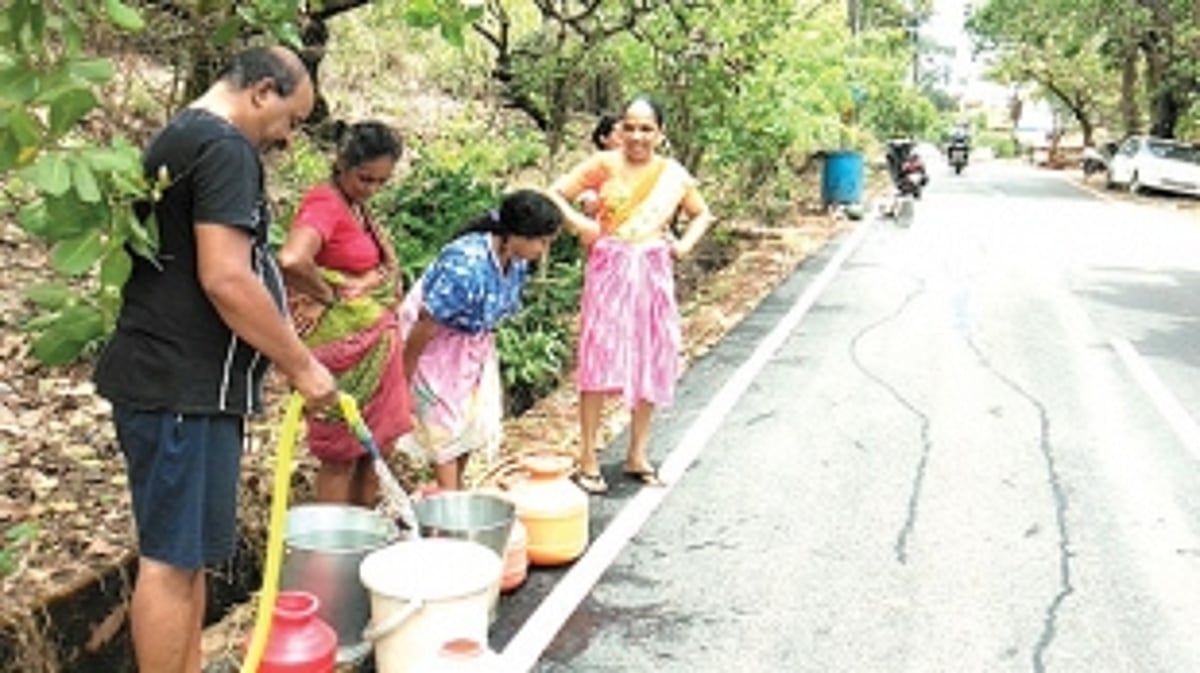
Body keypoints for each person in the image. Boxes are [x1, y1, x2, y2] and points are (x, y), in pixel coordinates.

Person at [92, 47, 337, 673]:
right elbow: (228, 279)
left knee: (185, 558)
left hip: (177, 383)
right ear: (261, 91)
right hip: (183, 387)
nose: (287, 136)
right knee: (171, 563)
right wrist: (302, 367)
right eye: (291, 118)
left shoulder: (179, 136)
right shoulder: (225, 148)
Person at [547, 95, 716, 495]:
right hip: (610, 270)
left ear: (660, 133)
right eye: (629, 126)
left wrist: (684, 246)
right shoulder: (603, 165)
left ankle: (637, 453)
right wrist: (581, 225)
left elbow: (702, 213)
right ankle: (587, 457)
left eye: (646, 128)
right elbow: (554, 193)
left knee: (652, 356)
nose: (636, 136)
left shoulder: (672, 173)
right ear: (619, 129)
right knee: (598, 358)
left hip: (653, 274)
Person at [277, 121, 413, 506]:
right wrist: (329, 294)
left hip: (376, 345)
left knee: (376, 446)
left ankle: (362, 534)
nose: (370, 189)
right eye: (364, 178)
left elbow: (372, 272)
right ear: (342, 165)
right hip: (344, 348)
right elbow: (291, 258)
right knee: (340, 455)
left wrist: (366, 284)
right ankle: (334, 551)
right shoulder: (325, 203)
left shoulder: (355, 208)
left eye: (380, 182)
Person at [400, 189, 564, 490]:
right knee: (444, 431)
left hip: (471, 344)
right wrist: (403, 374)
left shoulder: (515, 262)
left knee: (471, 423)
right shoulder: (466, 264)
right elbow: (426, 320)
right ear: (519, 235)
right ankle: (450, 506)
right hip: (433, 345)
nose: (543, 249)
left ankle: (454, 491)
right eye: (542, 241)